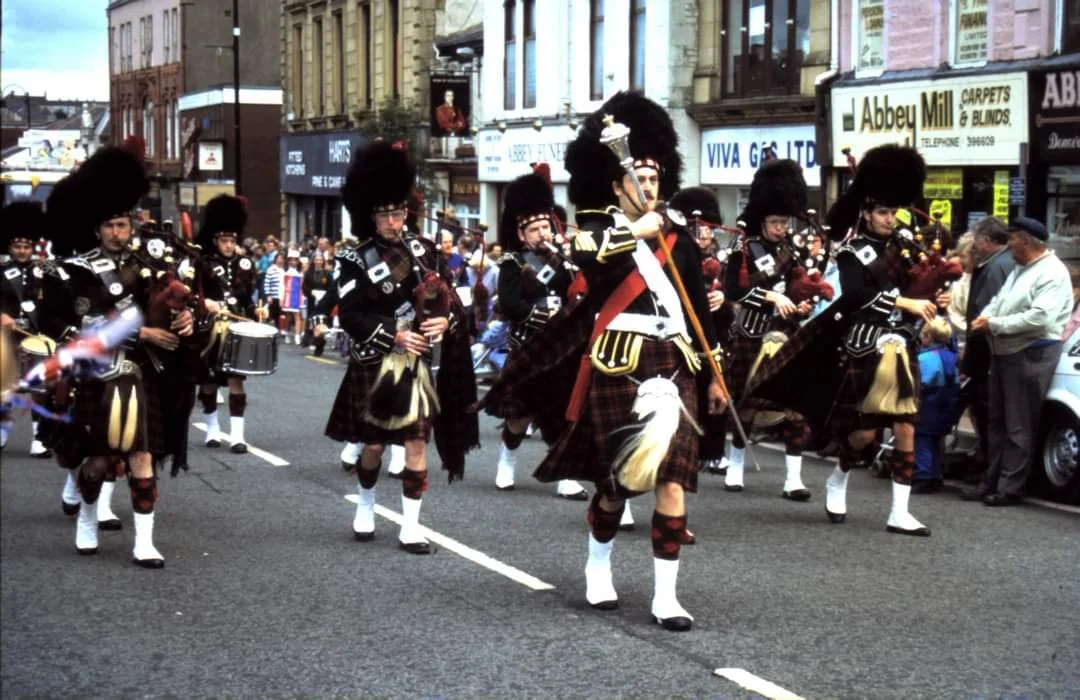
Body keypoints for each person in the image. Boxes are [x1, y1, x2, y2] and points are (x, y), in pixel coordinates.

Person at [485, 92, 727, 630]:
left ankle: (666, 595)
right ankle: (599, 563)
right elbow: (592, 264)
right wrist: (636, 230)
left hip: (675, 359)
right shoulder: (595, 235)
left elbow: (699, 318)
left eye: (656, 180)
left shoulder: (679, 241)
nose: (649, 189)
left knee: (671, 481)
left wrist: (715, 375)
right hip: (622, 359)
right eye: (637, 180)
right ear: (618, 186)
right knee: (616, 485)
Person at [747, 144, 961, 537]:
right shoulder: (851, 252)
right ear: (865, 211)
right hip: (864, 345)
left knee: (906, 426)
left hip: (902, 343)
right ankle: (841, 471)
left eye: (894, 210)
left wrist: (936, 298)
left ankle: (899, 511)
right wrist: (905, 300)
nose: (890, 218)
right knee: (864, 434)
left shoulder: (907, 246)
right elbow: (857, 296)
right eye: (882, 211)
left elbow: (920, 285)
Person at [315, 139, 478, 553]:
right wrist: (395, 331)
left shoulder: (423, 251)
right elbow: (350, 316)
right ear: (371, 215)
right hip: (377, 359)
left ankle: (410, 527)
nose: (394, 220)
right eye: (386, 213)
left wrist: (447, 320)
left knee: (416, 442)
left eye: (399, 211)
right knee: (372, 445)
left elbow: (452, 300)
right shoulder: (355, 260)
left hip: (417, 362)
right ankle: (366, 502)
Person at [37, 146, 180, 567]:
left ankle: (144, 543)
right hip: (98, 376)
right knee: (98, 461)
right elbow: (56, 324)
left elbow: (169, 310)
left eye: (123, 224)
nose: (118, 232)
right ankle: (85, 517)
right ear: (97, 229)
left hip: (141, 376)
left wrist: (185, 320)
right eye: (110, 226)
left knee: (142, 457)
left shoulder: (151, 267)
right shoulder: (71, 271)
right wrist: (139, 331)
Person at [483, 166, 589, 500]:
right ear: (522, 233)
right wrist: (542, 312)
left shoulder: (565, 262)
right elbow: (511, 305)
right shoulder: (513, 264)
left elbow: (581, 295)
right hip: (528, 347)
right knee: (519, 416)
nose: (542, 233)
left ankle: (565, 474)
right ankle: (507, 459)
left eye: (546, 226)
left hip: (562, 348)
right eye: (535, 229)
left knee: (563, 411)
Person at [721, 159, 821, 500]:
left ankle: (793, 478)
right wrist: (770, 298)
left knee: (795, 406)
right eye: (775, 221)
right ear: (762, 219)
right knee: (748, 403)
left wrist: (802, 302)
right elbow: (732, 289)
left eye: (784, 221)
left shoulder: (793, 249)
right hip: (751, 334)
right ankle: (735, 464)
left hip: (785, 334)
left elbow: (796, 287)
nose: (781, 227)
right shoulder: (743, 247)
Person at [961, 217, 1074, 505]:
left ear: (1025, 241)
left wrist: (994, 323)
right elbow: (999, 300)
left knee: (1018, 424)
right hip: (1005, 350)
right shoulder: (1021, 269)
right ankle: (992, 481)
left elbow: (1040, 318)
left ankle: (1010, 487)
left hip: (1030, 350)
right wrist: (987, 315)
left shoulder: (1052, 272)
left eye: (1012, 239)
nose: (1008, 244)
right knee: (997, 421)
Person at [669, 187, 731, 477]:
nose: (704, 235)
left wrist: (724, 300)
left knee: (709, 401)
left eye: (708, 229)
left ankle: (709, 452)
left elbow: (735, 302)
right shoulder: (673, 253)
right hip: (674, 340)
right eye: (698, 228)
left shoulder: (724, 261)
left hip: (710, 341)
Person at [197, 195, 259, 454]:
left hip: (236, 327)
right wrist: (207, 302)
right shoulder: (203, 263)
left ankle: (237, 435)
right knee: (209, 382)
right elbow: (194, 294)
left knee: (236, 380)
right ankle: (212, 429)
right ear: (215, 240)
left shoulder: (246, 264)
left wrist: (257, 311)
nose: (229, 245)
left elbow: (247, 298)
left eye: (232, 241)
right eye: (224, 241)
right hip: (210, 327)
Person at [960, 216, 1015, 483]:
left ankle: (987, 471)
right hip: (994, 354)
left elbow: (983, 318)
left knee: (988, 414)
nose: (977, 247)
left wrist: (970, 360)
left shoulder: (994, 269)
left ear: (986, 241)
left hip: (987, 357)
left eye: (979, 242)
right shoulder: (1002, 264)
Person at [0, 201, 53, 457]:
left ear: (33, 248)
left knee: (39, 389)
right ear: (10, 248)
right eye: (17, 246)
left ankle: (38, 439)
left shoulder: (44, 272)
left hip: (36, 338)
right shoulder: (1, 272)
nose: (22, 250)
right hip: (5, 338)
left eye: (26, 246)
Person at [913, 317, 960, 493]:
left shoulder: (925, 358)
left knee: (922, 440)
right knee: (936, 441)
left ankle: (923, 475)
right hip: (947, 404)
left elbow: (922, 382)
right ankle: (935, 475)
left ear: (929, 336)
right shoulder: (952, 357)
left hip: (929, 404)